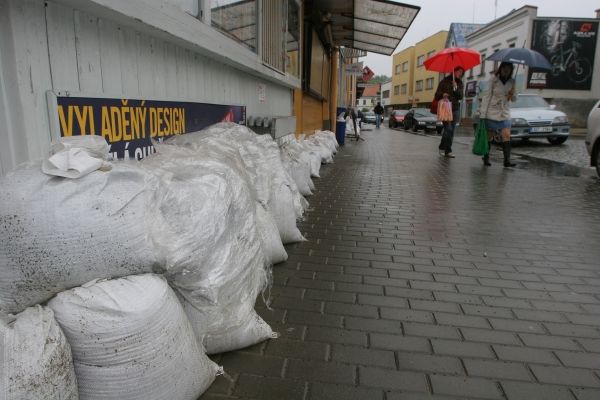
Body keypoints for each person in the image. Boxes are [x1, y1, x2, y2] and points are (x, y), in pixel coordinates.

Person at [479, 62, 516, 167]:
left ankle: (507, 161)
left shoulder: (512, 82)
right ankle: (486, 158)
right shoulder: (493, 80)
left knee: (506, 135)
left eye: (508, 68)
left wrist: (512, 94)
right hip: (492, 111)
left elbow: (514, 99)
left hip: (504, 112)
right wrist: (483, 114)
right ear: (501, 69)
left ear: (511, 70)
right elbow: (486, 97)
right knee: (489, 136)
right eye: (504, 68)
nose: (506, 70)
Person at [434, 66, 464, 158]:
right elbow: (436, 95)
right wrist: (443, 94)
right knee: (448, 129)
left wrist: (456, 87)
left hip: (455, 108)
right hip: (445, 107)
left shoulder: (459, 83)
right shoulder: (444, 81)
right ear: (453, 72)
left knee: (452, 131)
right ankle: (445, 148)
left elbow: (460, 96)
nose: (460, 74)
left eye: (461, 72)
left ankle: (446, 150)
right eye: (458, 71)